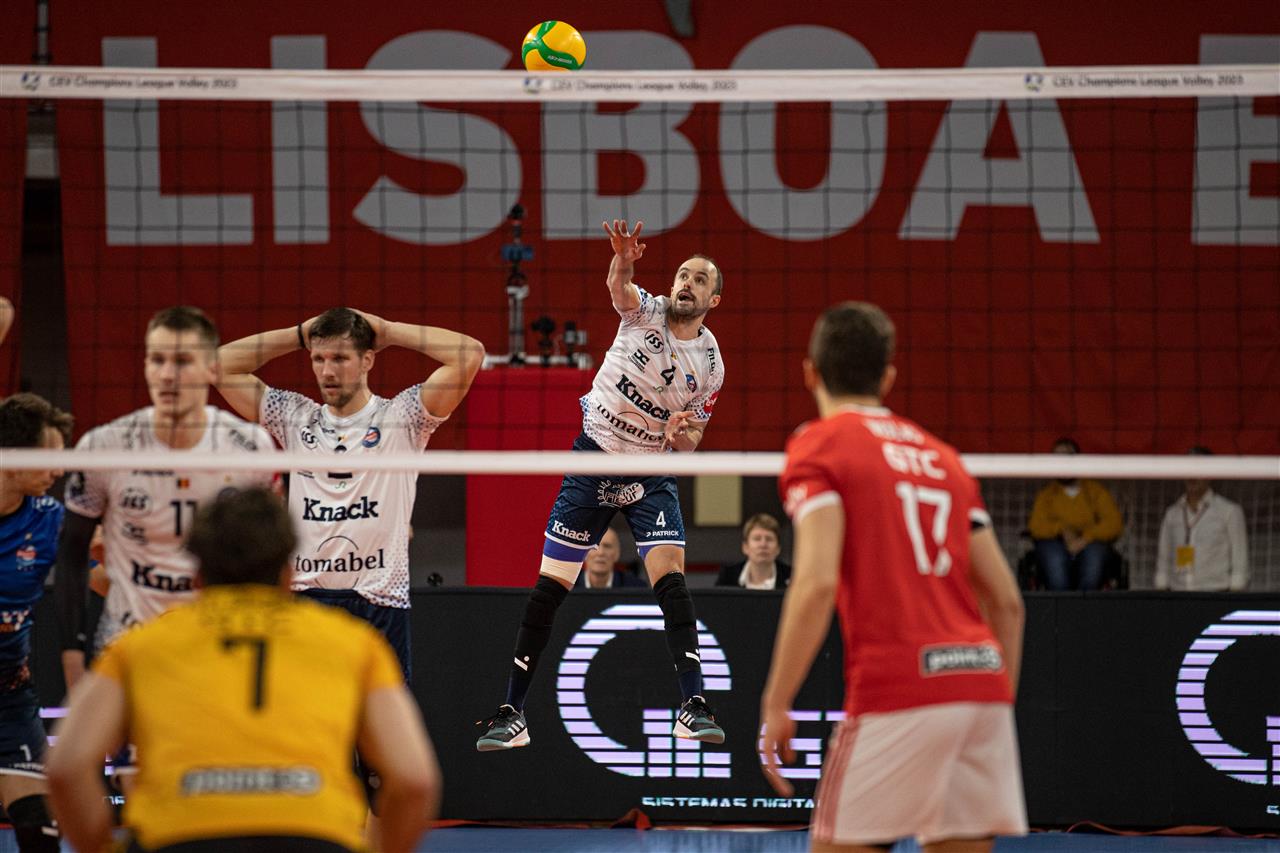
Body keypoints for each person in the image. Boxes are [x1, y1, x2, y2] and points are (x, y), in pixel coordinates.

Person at [759, 302, 1027, 852]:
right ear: (888, 377)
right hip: (981, 681)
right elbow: (1007, 603)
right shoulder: (945, 459)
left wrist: (776, 702)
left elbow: (816, 583)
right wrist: (990, 701)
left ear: (810, 372)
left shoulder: (819, 444)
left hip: (897, 686)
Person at [46, 487, 439, 853]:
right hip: (312, 834)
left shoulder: (143, 645)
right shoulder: (353, 643)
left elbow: (66, 768)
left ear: (197, 576)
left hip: (180, 835)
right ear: (289, 574)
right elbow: (414, 779)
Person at [475, 219, 727, 751]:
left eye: (699, 279)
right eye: (683, 274)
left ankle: (693, 705)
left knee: (672, 583)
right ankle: (512, 713)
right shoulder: (646, 311)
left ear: (714, 300)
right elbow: (619, 289)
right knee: (548, 589)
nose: (686, 282)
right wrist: (623, 261)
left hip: (650, 470)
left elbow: (692, 440)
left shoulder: (710, 364)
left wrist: (681, 434)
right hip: (594, 459)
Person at [216, 307, 484, 679]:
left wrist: (388, 329)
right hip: (307, 600)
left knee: (379, 718)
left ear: (367, 360)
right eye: (319, 359)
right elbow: (218, 366)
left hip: (379, 602)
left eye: (340, 358)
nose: (327, 371)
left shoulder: (402, 417)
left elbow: (470, 354)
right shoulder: (295, 418)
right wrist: (299, 334)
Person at [55, 307, 275, 701]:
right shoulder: (104, 447)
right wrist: (72, 660)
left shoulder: (249, 447)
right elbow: (71, 554)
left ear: (212, 369)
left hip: (216, 644)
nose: (168, 375)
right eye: (157, 360)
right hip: (129, 641)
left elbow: (268, 559)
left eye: (182, 361)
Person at [0, 393, 72, 851]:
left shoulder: (50, 519)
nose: (58, 470)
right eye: (49, 457)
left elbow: (104, 572)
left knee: (42, 830)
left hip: (10, 698)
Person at [1026, 438, 1123, 591]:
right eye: (1056, 459)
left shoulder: (1095, 491)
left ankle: (1085, 605)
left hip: (1090, 543)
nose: (1061, 463)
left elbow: (1114, 524)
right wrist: (1062, 531)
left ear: (1078, 460)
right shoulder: (1046, 495)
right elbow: (1036, 527)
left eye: (1066, 458)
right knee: (1054, 561)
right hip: (1056, 543)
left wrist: (1085, 538)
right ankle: (1060, 605)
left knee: (1094, 558)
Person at [1154, 447, 1249, 592]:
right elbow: (1163, 560)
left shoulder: (1229, 511)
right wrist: (1162, 589)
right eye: (1188, 469)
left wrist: (1235, 593)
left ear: (1211, 474)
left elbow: (1240, 561)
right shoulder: (1172, 514)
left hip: (1216, 593)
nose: (1192, 476)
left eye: (1198, 469)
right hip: (1177, 593)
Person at [716, 513, 791, 590]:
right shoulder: (728, 576)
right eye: (757, 539)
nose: (763, 545)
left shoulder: (792, 576)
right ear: (745, 547)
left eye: (769, 539)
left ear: (778, 548)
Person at [574, 528, 646, 589]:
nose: (600, 553)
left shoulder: (636, 588)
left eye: (607, 546)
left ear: (617, 553)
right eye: (594, 546)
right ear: (583, 552)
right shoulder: (569, 586)